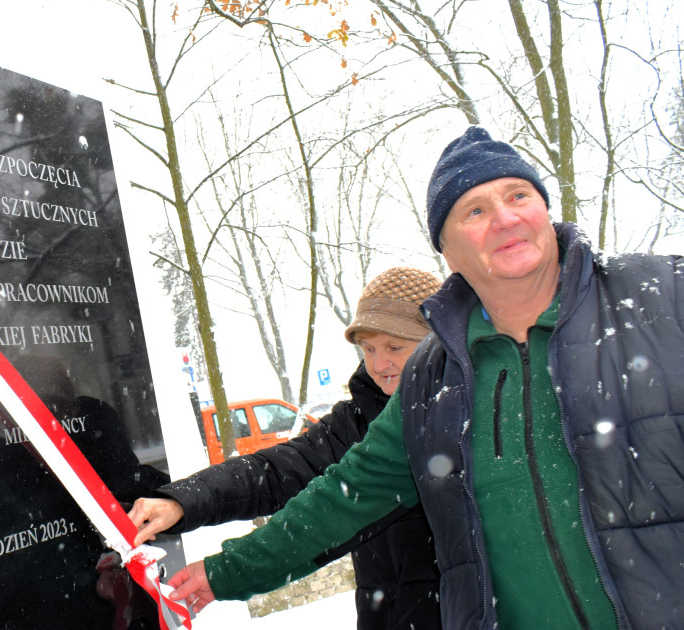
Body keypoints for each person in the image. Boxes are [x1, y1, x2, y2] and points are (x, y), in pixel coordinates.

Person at [166, 126, 684, 630]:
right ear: (448, 251)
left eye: (518, 195)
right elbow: (343, 493)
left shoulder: (664, 298)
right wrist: (223, 569)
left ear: (545, 210)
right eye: (474, 210)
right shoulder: (433, 381)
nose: (505, 218)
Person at [128, 267, 443, 630]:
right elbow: (274, 473)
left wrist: (227, 572)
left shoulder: (452, 420)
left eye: (394, 347)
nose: (378, 364)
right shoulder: (356, 422)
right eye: (368, 349)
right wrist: (183, 501)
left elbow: (327, 517)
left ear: (433, 342)